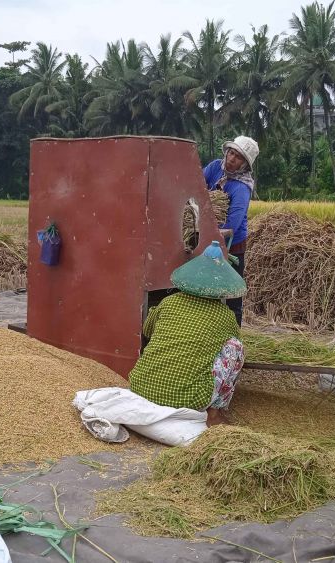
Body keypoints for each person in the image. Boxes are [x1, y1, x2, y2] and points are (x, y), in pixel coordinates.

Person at [129, 241, 247, 426]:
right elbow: (235, 344)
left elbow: (147, 330)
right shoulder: (225, 316)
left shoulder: (168, 302)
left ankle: (158, 378)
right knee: (235, 348)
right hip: (189, 399)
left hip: (140, 388)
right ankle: (214, 412)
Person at [202, 135, 259, 326]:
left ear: (244, 164)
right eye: (231, 153)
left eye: (238, 157)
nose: (232, 159)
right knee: (208, 291)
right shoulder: (214, 168)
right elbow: (196, 187)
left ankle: (234, 338)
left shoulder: (242, 187)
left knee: (232, 293)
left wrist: (209, 230)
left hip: (232, 244)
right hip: (206, 238)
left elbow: (231, 225)